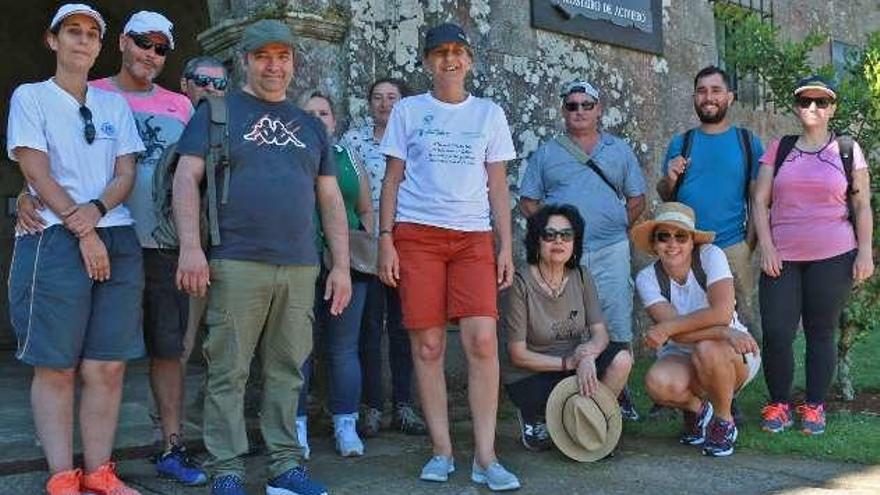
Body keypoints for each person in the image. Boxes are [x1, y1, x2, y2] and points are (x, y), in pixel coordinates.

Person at [173, 19, 350, 495]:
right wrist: (192, 247)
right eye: (264, 57)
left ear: (293, 62)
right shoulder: (216, 112)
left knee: (288, 370)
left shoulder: (311, 126)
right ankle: (226, 470)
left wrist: (341, 265)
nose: (275, 66)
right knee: (228, 370)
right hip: (236, 260)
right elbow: (186, 178)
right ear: (245, 61)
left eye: (283, 56)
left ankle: (284, 468)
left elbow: (330, 199)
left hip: (299, 264)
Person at [7, 5, 145, 494]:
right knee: (57, 364)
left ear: (99, 46)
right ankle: (62, 477)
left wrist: (96, 211)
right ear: (53, 40)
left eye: (91, 34)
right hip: (54, 236)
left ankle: (101, 472)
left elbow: (125, 173)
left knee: (107, 364)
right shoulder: (32, 97)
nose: (82, 41)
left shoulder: (113, 105)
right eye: (73, 32)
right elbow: (35, 171)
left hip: (115, 233)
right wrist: (82, 227)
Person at [378, 22, 520, 492]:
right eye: (439, 53)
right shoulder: (408, 110)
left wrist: (506, 246)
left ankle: (485, 456)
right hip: (417, 235)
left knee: (482, 341)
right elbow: (393, 178)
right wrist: (385, 240)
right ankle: (442, 451)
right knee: (429, 346)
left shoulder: (489, 113)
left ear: (470, 60)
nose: (449, 60)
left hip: (473, 238)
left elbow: (497, 184)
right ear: (426, 62)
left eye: (458, 52)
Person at [85, 10, 208, 485]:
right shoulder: (92, 93)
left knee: (168, 351)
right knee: (102, 354)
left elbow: (195, 177)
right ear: (122, 42)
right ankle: (98, 457)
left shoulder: (180, 105)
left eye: (161, 48)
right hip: (107, 238)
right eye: (143, 43)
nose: (151, 54)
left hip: (164, 244)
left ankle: (172, 448)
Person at [519, 80, 646, 421]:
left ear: (599, 109)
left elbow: (637, 199)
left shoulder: (619, 150)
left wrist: (617, 225)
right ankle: (568, 393)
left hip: (610, 250)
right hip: (564, 256)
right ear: (564, 111)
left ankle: (616, 393)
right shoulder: (547, 153)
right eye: (572, 105)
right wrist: (553, 235)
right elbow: (528, 201)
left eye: (586, 105)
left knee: (616, 321)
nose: (579, 111)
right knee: (567, 326)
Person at [753, 75, 873, 436]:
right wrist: (768, 247)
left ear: (832, 108)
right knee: (776, 332)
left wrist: (865, 252)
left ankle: (815, 406)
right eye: (806, 101)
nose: (813, 108)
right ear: (796, 106)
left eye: (821, 102)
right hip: (782, 257)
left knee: (821, 332)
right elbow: (760, 200)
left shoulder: (848, 150)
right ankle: (778, 404)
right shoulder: (781, 147)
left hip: (834, 254)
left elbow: (862, 204)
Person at [633, 202, 761, 457]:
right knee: (657, 383)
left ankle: (724, 423)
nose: (672, 244)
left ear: (693, 241)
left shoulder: (711, 256)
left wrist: (670, 328)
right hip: (689, 351)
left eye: (681, 236)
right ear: (655, 243)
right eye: (664, 237)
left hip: (731, 353)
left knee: (707, 349)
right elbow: (679, 334)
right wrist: (722, 331)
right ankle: (700, 411)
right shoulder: (647, 278)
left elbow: (722, 313)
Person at [502, 204, 633, 452]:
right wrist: (569, 364)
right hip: (531, 374)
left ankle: (586, 421)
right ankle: (536, 416)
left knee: (622, 359)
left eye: (566, 235)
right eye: (549, 235)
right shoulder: (520, 284)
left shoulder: (581, 276)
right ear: (536, 241)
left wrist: (586, 355)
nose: (558, 241)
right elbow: (517, 355)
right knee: (544, 390)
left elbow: (600, 333)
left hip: (572, 363)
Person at [341, 78, 427, 437]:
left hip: (408, 240)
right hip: (368, 244)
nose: (384, 104)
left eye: (392, 97)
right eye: (377, 97)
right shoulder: (353, 141)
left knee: (406, 327)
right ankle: (373, 406)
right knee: (370, 328)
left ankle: (404, 405)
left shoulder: (416, 138)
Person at [656, 66, 763, 341]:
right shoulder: (682, 142)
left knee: (741, 322)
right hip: (686, 250)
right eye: (702, 91)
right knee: (693, 319)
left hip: (732, 248)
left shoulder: (747, 142)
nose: (708, 97)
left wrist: (747, 247)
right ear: (694, 98)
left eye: (716, 90)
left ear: (730, 97)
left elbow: (758, 199)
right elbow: (667, 197)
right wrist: (669, 179)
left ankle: (742, 376)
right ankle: (699, 375)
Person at [297, 91, 374, 458]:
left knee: (344, 348)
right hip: (298, 260)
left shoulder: (349, 158)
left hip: (347, 264)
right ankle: (295, 429)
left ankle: (346, 425)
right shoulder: (288, 154)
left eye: (323, 113)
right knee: (296, 349)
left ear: (334, 120)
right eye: (308, 113)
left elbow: (364, 208)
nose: (317, 118)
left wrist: (368, 247)